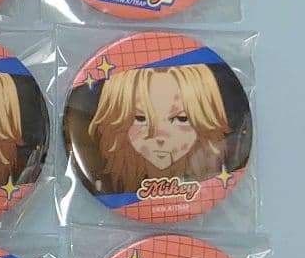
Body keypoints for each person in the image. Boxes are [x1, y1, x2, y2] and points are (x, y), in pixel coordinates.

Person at [88, 64, 230, 192]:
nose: (160, 137)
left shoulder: (215, 178)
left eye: (182, 119)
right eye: (141, 118)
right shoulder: (105, 185)